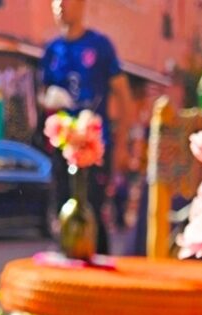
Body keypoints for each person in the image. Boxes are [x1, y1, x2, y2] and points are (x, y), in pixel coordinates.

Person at [40, 0, 132, 253]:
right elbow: (43, 95)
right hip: (63, 145)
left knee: (92, 211)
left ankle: (99, 267)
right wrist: (51, 99)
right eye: (55, 1)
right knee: (63, 208)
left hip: (94, 147)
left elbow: (124, 97)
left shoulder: (100, 46)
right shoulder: (52, 50)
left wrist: (122, 144)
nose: (60, 6)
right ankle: (66, 263)